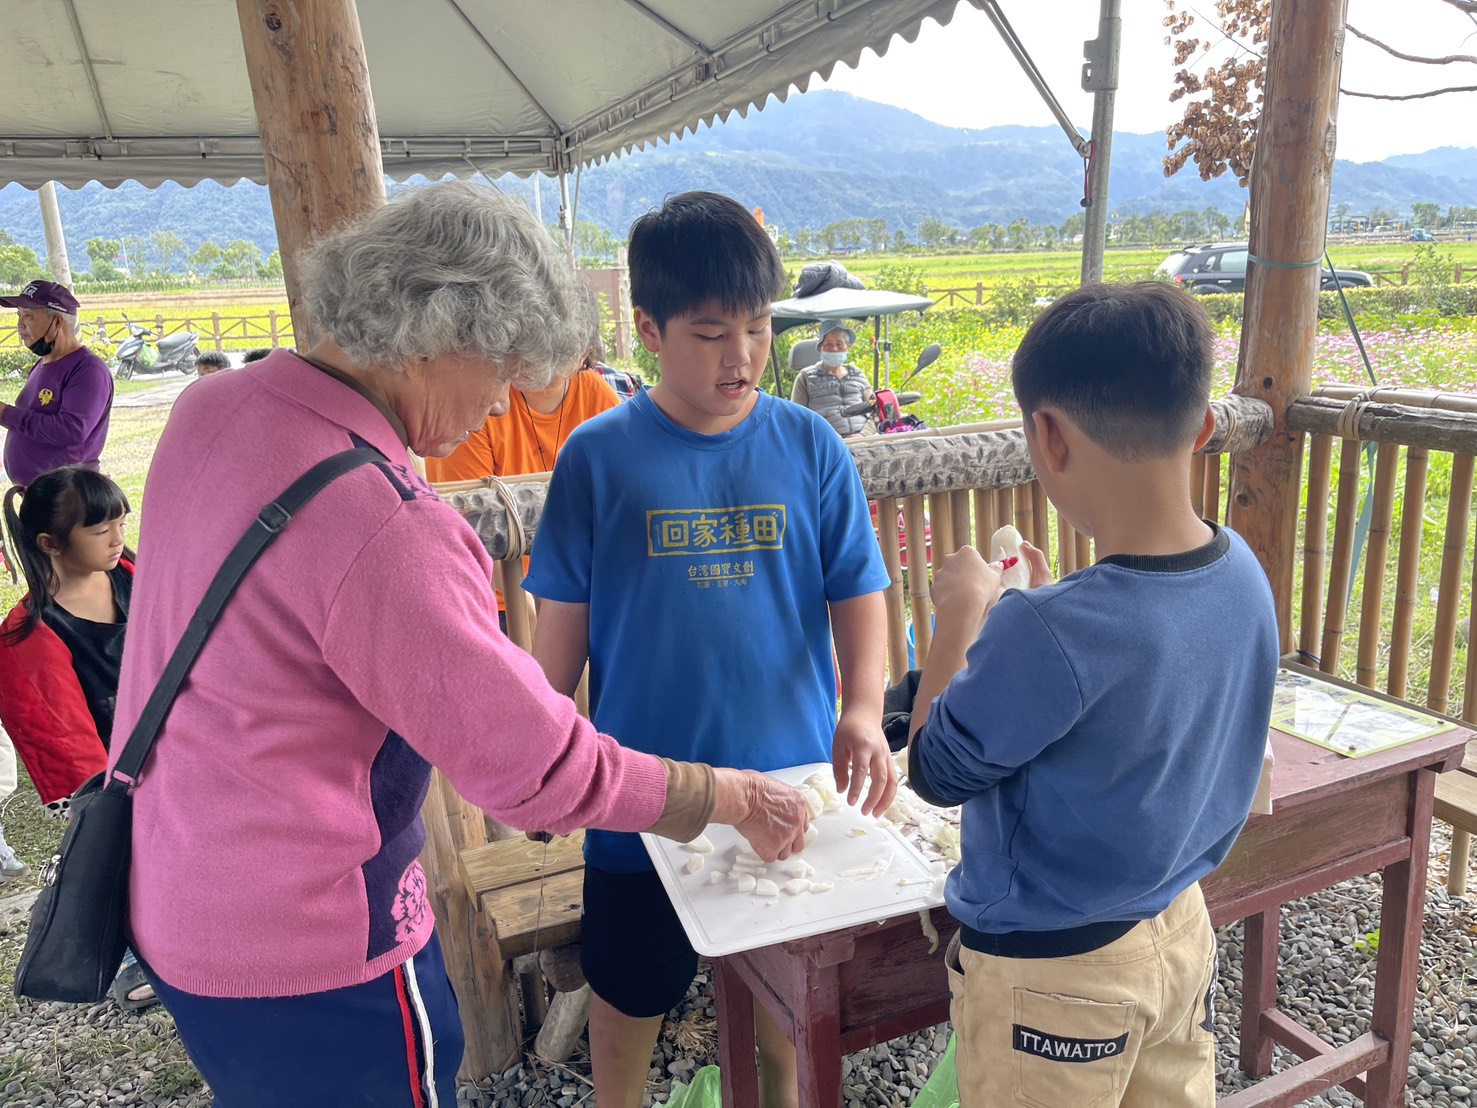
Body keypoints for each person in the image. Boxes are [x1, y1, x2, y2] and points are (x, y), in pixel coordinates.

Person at [109, 181, 810, 1106]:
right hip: (312, 940)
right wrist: (725, 796)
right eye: (502, 370)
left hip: (178, 897)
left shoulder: (215, 408)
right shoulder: (383, 523)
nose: (500, 406)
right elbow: (534, 767)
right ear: (439, 337)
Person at [525, 190, 897, 1108]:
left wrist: (861, 709)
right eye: (709, 333)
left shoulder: (808, 445)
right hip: (643, 803)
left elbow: (857, 589)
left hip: (789, 786)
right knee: (628, 995)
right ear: (649, 328)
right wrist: (536, 761)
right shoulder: (597, 457)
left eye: (757, 327)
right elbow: (557, 642)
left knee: (786, 1005)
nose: (741, 356)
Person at [907, 282, 1279, 1107]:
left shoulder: (1046, 628)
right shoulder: (1239, 570)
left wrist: (959, 614)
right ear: (1203, 426)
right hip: (1177, 927)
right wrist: (1037, 615)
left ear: (1047, 435)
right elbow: (1131, 673)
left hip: (1054, 976)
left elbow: (936, 768)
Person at [0, 466, 158, 1010]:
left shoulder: (134, 575)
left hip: (177, 742)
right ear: (50, 543)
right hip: (114, 770)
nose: (117, 538)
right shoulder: (30, 633)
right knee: (122, 862)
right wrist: (105, 801)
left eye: (120, 523)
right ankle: (133, 959)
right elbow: (63, 738)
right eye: (99, 529)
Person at [0, 281, 113, 485]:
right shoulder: (42, 364)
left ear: (57, 322)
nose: (20, 325)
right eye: (19, 315)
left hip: (68, 493)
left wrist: (6, 414)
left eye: (29, 316)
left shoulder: (88, 369)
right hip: (38, 491)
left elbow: (71, 430)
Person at [789, 320, 873, 437]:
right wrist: (829, 438)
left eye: (839, 344)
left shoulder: (858, 375)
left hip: (864, 440)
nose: (834, 349)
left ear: (848, 347)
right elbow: (797, 417)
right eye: (828, 344)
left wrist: (864, 434)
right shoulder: (806, 377)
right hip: (826, 441)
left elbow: (875, 410)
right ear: (820, 348)